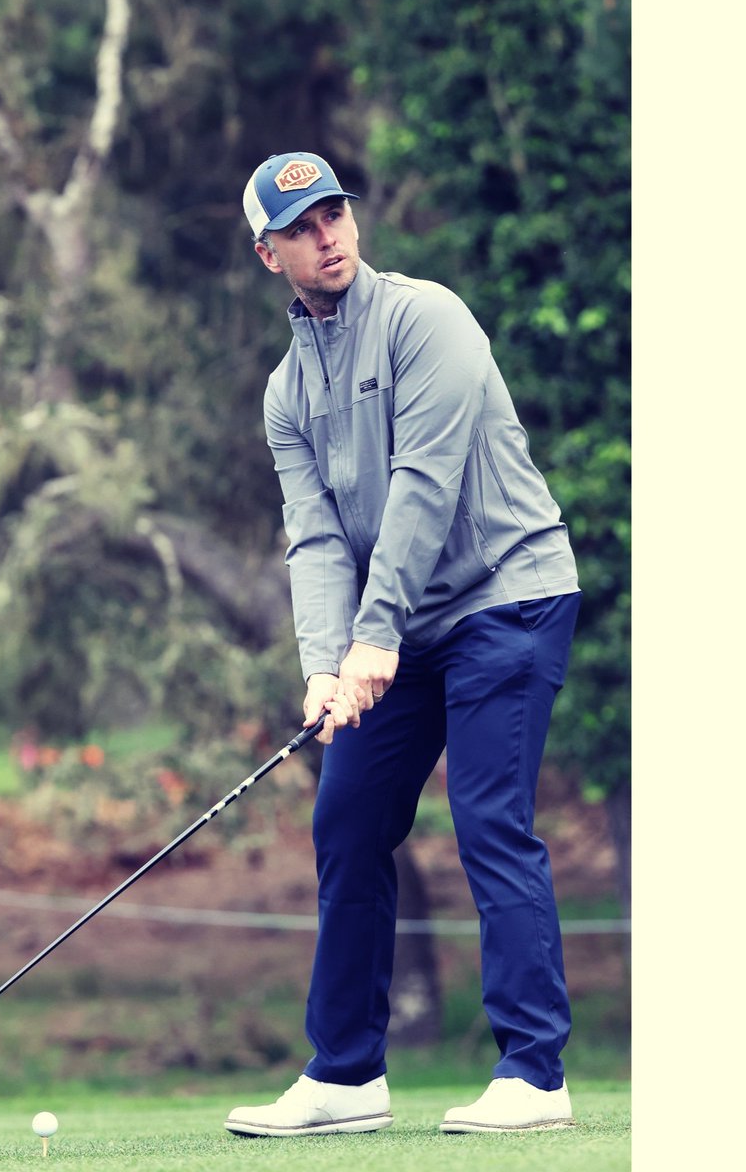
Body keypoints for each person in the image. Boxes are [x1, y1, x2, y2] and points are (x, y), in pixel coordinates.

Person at [223, 152, 583, 1138]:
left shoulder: (429, 319)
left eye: (333, 212)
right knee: (346, 819)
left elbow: (424, 487)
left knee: (487, 817)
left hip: (506, 596)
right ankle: (345, 1074)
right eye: (300, 227)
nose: (327, 235)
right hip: (403, 631)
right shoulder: (286, 393)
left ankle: (533, 1075)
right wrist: (323, 664)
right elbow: (317, 538)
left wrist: (372, 641)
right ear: (270, 254)